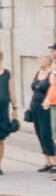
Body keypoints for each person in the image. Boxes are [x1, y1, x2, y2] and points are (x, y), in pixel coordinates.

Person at [27, 46, 56, 174]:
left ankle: (55, 161)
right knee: (39, 134)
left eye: (41, 58)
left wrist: (48, 100)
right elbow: (34, 89)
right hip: (35, 107)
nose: (38, 60)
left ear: (48, 60)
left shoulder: (52, 73)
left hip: (46, 108)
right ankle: (47, 161)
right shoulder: (38, 72)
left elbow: (53, 89)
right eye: (38, 58)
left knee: (46, 134)